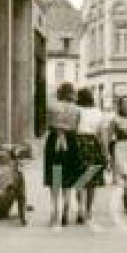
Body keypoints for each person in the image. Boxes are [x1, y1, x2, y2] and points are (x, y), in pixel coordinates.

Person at [43, 81, 82, 227]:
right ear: (72, 93)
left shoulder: (51, 107)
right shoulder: (77, 109)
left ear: (59, 92)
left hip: (54, 141)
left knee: (55, 176)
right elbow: (76, 127)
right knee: (68, 175)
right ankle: (66, 206)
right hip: (71, 141)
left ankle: (54, 212)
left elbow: (48, 124)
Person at [74, 88, 109, 223]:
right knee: (91, 182)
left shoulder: (77, 110)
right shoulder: (99, 113)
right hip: (93, 145)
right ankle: (88, 211)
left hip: (78, 145)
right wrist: (106, 153)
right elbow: (103, 136)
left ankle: (80, 209)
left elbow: (72, 129)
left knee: (80, 180)